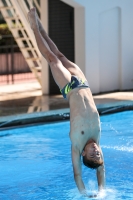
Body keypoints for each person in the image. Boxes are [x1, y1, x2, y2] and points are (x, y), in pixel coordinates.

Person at [28, 8, 105, 198]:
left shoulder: (76, 145)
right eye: (99, 153)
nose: (96, 150)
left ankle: (34, 28)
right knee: (60, 54)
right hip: (83, 82)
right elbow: (101, 169)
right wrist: (102, 190)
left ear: (83, 155)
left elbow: (77, 174)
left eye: (93, 154)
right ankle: (39, 25)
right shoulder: (97, 138)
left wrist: (87, 194)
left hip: (70, 88)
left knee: (52, 58)